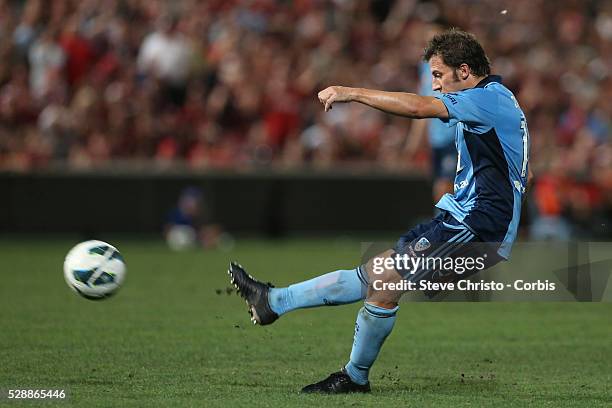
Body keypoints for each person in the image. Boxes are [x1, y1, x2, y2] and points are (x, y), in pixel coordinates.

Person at [228, 29, 532, 394]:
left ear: (464, 71)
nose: (434, 86)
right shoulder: (499, 98)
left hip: (477, 227)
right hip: (465, 220)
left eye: (438, 75)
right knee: (374, 275)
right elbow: (518, 169)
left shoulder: (485, 100)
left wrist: (350, 92)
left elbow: (419, 108)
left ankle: (354, 376)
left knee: (385, 284)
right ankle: (273, 302)